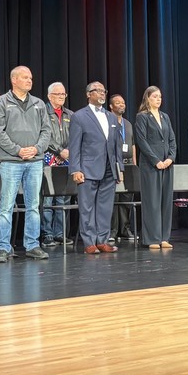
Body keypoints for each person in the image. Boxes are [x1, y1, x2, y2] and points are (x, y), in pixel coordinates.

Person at [0, 65, 52, 263]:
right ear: (14, 80)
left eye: (30, 78)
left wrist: (36, 148)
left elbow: (46, 131)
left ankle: (32, 245)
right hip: (11, 161)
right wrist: (17, 150)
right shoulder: (1, 102)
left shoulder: (39, 103)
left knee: (33, 205)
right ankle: (2, 247)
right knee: (6, 206)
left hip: (34, 161)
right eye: (25, 77)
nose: (29, 81)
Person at [68, 82, 122, 254]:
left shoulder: (111, 117)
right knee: (87, 207)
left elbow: (116, 146)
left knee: (105, 207)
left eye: (103, 91)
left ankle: (102, 240)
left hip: (108, 168)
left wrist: (119, 168)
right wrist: (75, 169)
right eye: (97, 91)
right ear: (88, 94)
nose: (101, 93)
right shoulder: (79, 116)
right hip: (88, 168)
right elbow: (74, 146)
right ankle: (89, 242)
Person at [135, 86, 177, 249]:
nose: (158, 99)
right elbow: (142, 141)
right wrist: (156, 161)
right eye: (155, 97)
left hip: (167, 165)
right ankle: (152, 238)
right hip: (151, 166)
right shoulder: (142, 117)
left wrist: (171, 158)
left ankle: (164, 237)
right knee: (152, 201)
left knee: (166, 200)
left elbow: (172, 139)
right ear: (147, 99)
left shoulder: (165, 117)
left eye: (160, 97)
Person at [41, 82, 73, 247]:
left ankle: (61, 234)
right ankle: (48, 235)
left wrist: (66, 151)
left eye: (63, 94)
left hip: (66, 159)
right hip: (47, 159)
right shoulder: (42, 112)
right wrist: (58, 150)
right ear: (49, 96)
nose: (61, 97)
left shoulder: (70, 114)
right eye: (57, 94)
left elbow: (76, 136)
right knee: (48, 199)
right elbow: (43, 136)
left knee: (63, 198)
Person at [108, 93, 137, 242]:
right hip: (113, 164)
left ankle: (125, 229)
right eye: (118, 103)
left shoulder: (128, 124)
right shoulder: (108, 121)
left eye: (123, 103)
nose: (121, 105)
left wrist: (134, 163)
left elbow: (132, 145)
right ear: (111, 106)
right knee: (113, 199)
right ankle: (112, 231)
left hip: (128, 164)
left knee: (126, 198)